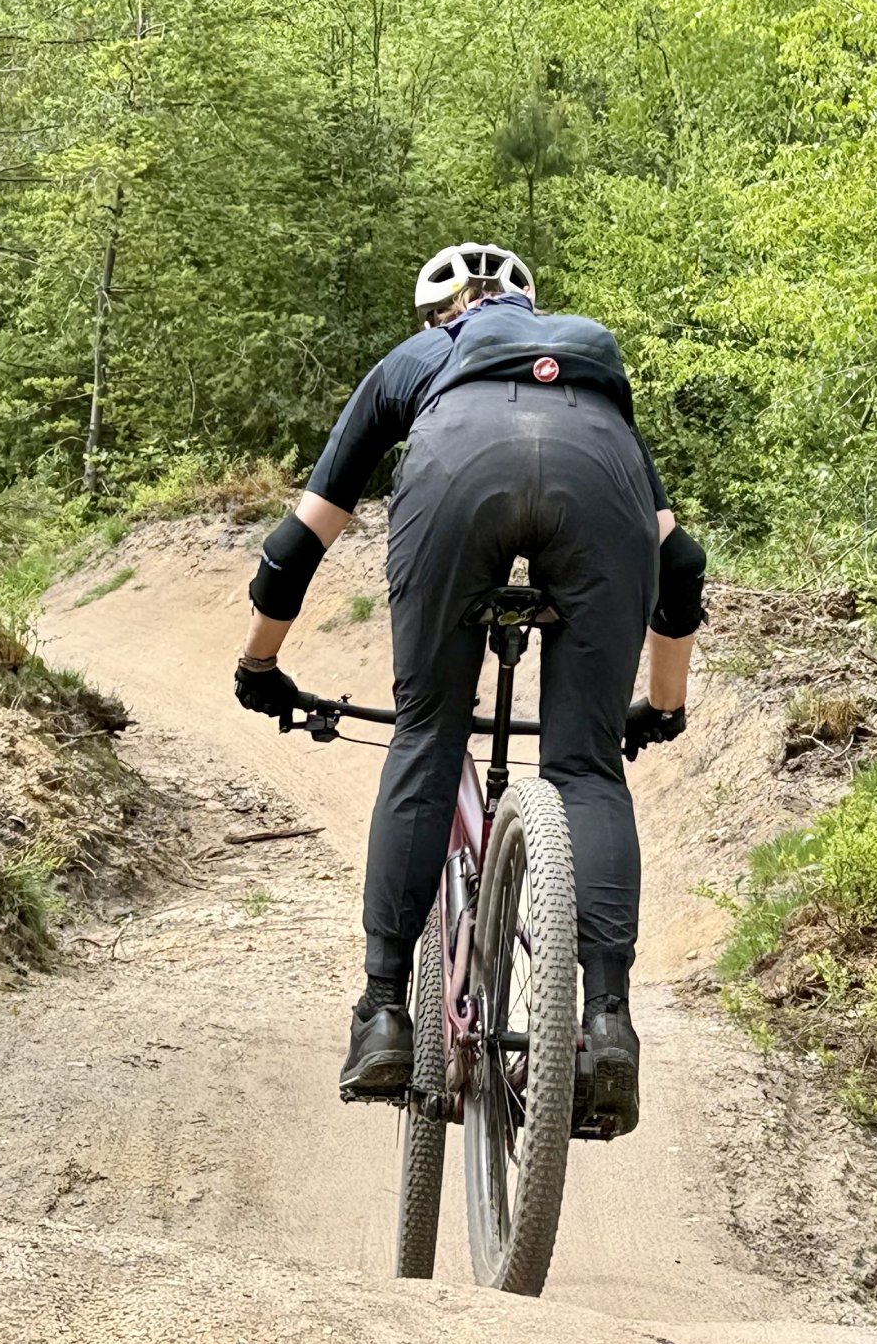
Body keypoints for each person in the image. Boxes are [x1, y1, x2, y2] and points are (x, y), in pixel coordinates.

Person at [229, 241, 706, 1136]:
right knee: (586, 767)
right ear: (531, 312)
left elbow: (297, 544)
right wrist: (666, 705)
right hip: (596, 482)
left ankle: (383, 1013)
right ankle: (608, 1025)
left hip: (458, 471)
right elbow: (679, 563)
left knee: (427, 735)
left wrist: (260, 665)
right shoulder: (590, 374)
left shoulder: (417, 360)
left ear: (439, 314)